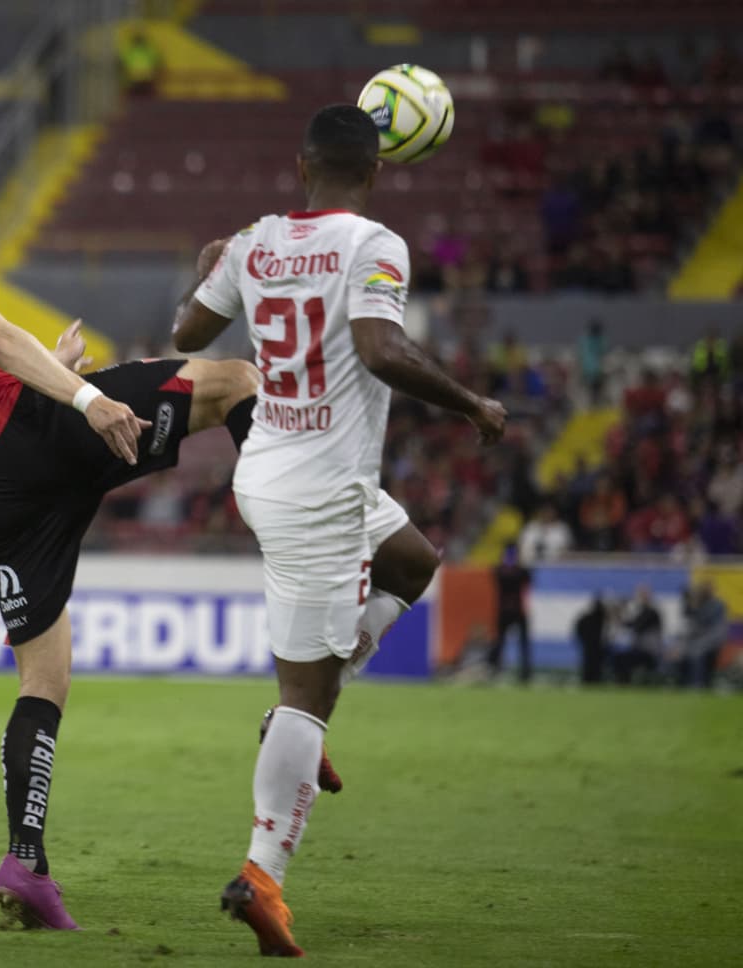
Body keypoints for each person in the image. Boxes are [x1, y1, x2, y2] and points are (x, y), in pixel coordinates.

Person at [0, 142, 260, 930]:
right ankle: (300, 553)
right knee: (239, 381)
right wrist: (81, 399)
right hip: (33, 440)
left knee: (45, 679)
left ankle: (26, 864)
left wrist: (48, 374)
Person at [171, 104, 506, 957]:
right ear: (379, 171)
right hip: (316, 496)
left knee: (413, 562)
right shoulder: (375, 243)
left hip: (298, 473)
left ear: (300, 165)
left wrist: (210, 264)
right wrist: (472, 404)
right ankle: (263, 874)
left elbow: (186, 333)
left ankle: (302, 718)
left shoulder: (256, 239)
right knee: (304, 698)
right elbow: (383, 350)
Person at [488, 543, 533, 683]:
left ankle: (525, 673)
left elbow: (527, 579)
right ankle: (497, 669)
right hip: (505, 611)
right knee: (500, 642)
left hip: (519, 610)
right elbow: (497, 575)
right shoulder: (500, 571)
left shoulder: (522, 571)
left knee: (523, 643)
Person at [677, 579, 728, 688]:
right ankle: (683, 683)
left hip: (713, 638)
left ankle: (697, 683)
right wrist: (687, 601)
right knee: (682, 652)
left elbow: (706, 620)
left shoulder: (717, 604)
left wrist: (695, 604)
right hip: (700, 639)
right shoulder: (698, 603)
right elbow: (688, 617)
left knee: (696, 652)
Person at [573, 594, 609, 684]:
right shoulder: (598, 617)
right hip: (594, 645)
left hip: (591, 645)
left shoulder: (587, 617)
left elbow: (578, 629)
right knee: (592, 664)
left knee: (590, 663)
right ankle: (593, 679)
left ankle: (589, 680)